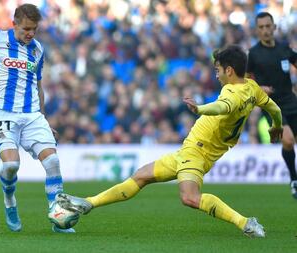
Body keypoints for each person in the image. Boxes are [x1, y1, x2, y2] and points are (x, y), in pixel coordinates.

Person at [56, 45, 283, 238]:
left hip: (197, 152)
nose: (216, 75)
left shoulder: (231, 94)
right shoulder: (251, 88)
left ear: (230, 70)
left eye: (218, 70)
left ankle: (245, 223)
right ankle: (89, 203)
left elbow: (222, 106)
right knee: (141, 176)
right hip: (189, 151)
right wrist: (277, 126)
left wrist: (200, 108)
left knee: (190, 198)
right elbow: (273, 107)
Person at [0, 4, 73, 233]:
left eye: (34, 29)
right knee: (10, 165)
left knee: (52, 162)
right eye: (26, 29)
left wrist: (44, 120)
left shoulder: (38, 50)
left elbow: (38, 86)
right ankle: (9, 199)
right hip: (2, 113)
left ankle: (58, 216)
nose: (30, 33)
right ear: (15, 24)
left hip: (31, 115)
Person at [247, 12, 297, 199]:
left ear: (274, 27)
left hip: (291, 101)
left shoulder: (284, 49)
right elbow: (244, 82)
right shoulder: (253, 54)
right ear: (257, 30)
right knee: (288, 140)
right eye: (261, 27)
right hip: (271, 106)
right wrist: (258, 88)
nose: (265, 30)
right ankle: (294, 180)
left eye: (268, 26)